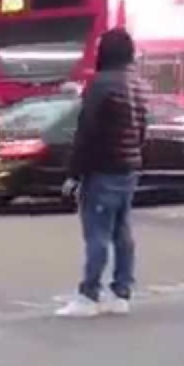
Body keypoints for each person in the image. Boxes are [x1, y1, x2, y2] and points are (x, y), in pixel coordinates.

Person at [57, 27, 149, 319]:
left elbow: (87, 131)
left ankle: (89, 295)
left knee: (96, 234)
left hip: (104, 169)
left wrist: (74, 173)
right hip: (129, 168)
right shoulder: (137, 84)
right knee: (122, 232)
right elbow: (143, 130)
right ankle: (121, 293)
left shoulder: (102, 84)